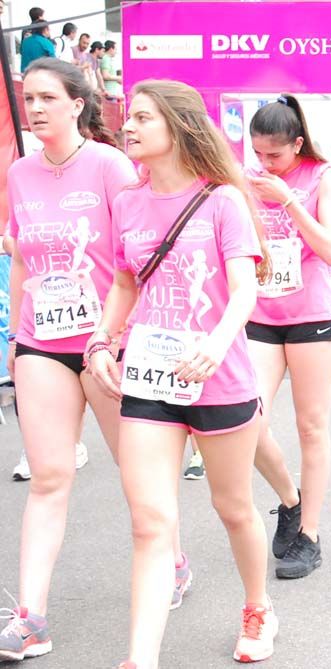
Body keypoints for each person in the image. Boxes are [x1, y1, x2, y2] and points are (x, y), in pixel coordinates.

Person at [86, 79, 277, 667]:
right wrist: (100, 338)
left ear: (179, 125)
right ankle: (140, 659)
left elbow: (244, 288)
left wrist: (218, 343)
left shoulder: (222, 199)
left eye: (143, 117)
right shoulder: (127, 203)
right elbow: (124, 281)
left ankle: (258, 606)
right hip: (148, 378)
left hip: (218, 377)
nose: (130, 126)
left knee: (233, 507)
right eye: (130, 118)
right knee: (150, 522)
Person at [0, 57, 137, 663]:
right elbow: (22, 256)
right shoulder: (20, 172)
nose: (33, 108)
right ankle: (31, 618)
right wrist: (14, 336)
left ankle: (173, 560)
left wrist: (116, 334)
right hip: (40, 343)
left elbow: (137, 256)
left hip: (105, 343)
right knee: (50, 477)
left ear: (77, 103)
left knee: (138, 475)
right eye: (28, 98)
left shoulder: (110, 165)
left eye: (46, 98)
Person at [245, 94, 331, 579]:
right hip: (260, 314)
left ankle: (309, 535)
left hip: (311, 316)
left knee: (311, 426)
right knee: (246, 418)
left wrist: (287, 201)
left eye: (275, 156)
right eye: (257, 154)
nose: (265, 164)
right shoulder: (243, 181)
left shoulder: (320, 177)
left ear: (297, 145)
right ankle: (289, 498)